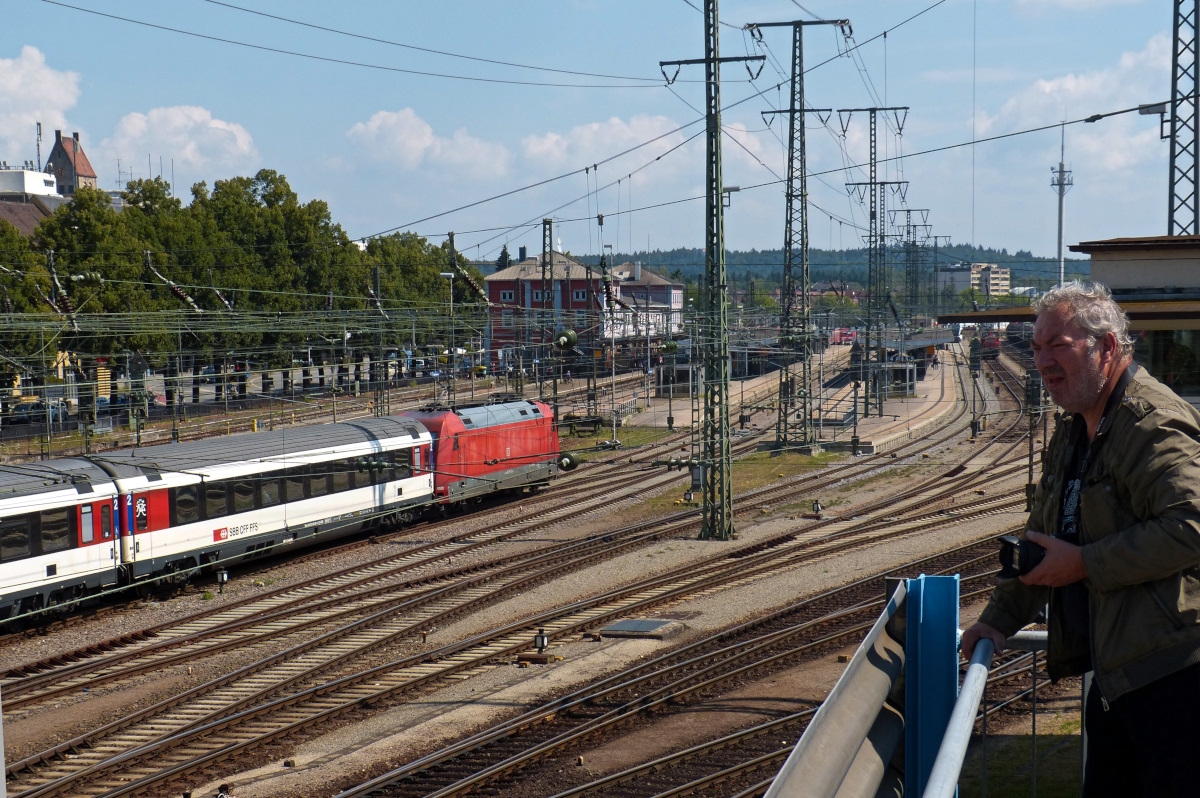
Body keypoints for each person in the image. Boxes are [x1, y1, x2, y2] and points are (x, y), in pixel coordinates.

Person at [961, 281, 1200, 797]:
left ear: (1107, 348)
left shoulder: (1151, 425)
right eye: (1037, 345)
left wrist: (1087, 563)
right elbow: (1047, 540)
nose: (1041, 361)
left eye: (1058, 346)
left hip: (1178, 681)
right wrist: (997, 621)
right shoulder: (1077, 428)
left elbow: (1192, 526)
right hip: (1121, 677)